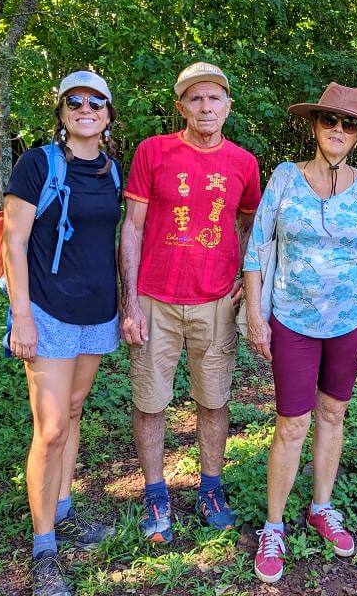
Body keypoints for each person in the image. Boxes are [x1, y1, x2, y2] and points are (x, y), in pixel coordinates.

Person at [244, 82, 357, 584]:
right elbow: (257, 246)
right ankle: (274, 524)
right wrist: (254, 315)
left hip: (352, 322)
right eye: (330, 121)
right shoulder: (285, 177)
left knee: (333, 412)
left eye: (349, 125)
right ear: (314, 126)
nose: (338, 131)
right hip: (293, 321)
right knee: (292, 423)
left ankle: (321, 507)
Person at [119, 62, 261, 543]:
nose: (205, 107)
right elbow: (132, 227)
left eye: (214, 98)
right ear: (180, 105)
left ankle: (211, 488)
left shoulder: (243, 163)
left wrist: (250, 283)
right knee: (150, 401)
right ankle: (156, 493)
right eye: (195, 99)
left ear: (228, 107)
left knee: (214, 399)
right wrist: (130, 302)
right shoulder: (153, 152)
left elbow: (250, 230)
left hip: (217, 300)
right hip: (155, 299)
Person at [3, 70, 122, 596]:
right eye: (74, 101)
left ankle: (63, 508)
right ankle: (43, 545)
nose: (85, 108)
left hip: (97, 312)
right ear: (61, 112)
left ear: (108, 116)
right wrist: (22, 316)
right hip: (47, 312)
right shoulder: (37, 165)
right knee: (49, 429)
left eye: (96, 102)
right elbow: (13, 242)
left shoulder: (112, 171)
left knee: (74, 412)